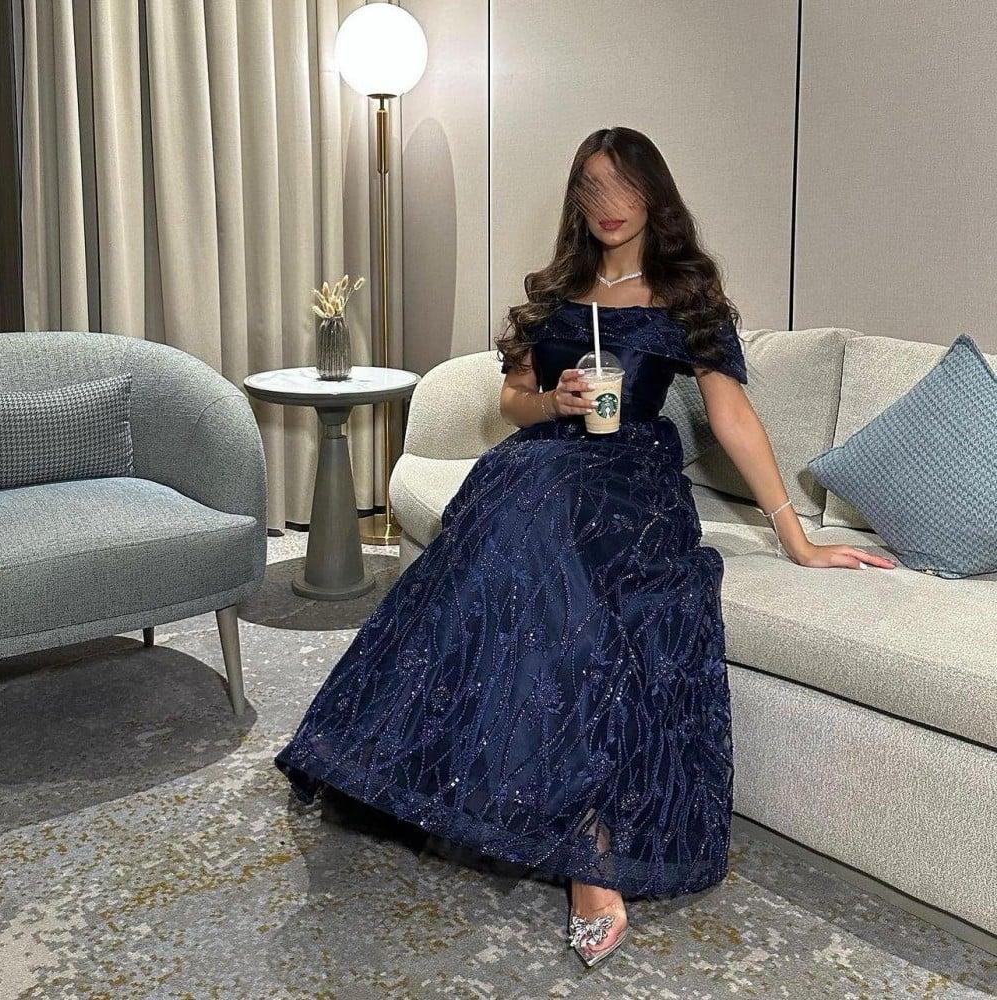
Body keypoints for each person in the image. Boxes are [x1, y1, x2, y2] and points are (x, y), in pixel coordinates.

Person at [275, 125, 896, 970]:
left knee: (538, 540)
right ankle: (499, 797)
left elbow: (732, 419)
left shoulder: (686, 297)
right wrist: (555, 403)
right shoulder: (557, 292)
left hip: (632, 480)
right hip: (545, 462)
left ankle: (589, 848)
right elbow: (513, 401)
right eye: (591, 187)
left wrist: (798, 536)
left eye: (623, 186)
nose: (607, 205)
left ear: (653, 194)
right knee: (515, 529)